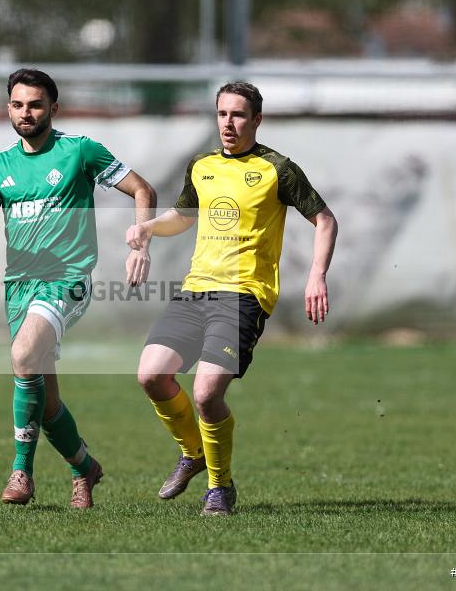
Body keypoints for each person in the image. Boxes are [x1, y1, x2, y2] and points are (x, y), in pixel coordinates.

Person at [127, 81, 337, 516]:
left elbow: (325, 220)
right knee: (151, 375)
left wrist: (316, 276)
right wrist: (147, 228)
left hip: (244, 295)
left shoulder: (278, 169)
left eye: (238, 115)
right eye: (222, 114)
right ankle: (194, 452)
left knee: (205, 393)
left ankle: (219, 489)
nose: (229, 123)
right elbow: (182, 217)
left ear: (256, 120)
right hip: (195, 289)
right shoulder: (202, 166)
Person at [0, 68, 156, 508]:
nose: (25, 112)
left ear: (54, 108)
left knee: (21, 356)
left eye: (35, 104)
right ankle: (84, 468)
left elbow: (142, 189)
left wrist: (141, 242)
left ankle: (21, 473)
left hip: (67, 280)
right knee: (45, 402)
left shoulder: (79, 151)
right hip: (19, 287)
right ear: (8, 108)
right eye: (17, 105)